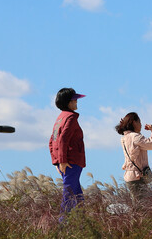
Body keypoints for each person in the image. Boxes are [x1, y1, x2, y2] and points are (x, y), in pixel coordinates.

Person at [49, 87, 86, 216]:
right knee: (69, 197)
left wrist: (57, 162)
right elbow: (62, 140)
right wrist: (62, 161)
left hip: (67, 163)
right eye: (75, 99)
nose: (77, 102)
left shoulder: (60, 119)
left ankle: (82, 227)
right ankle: (63, 228)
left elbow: (52, 141)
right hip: (72, 163)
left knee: (79, 199)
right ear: (69, 102)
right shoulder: (70, 118)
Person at [116, 112, 152, 201]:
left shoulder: (124, 138)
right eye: (139, 122)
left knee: (139, 205)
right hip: (137, 176)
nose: (141, 125)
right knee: (142, 206)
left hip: (131, 176)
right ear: (134, 123)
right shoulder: (135, 137)